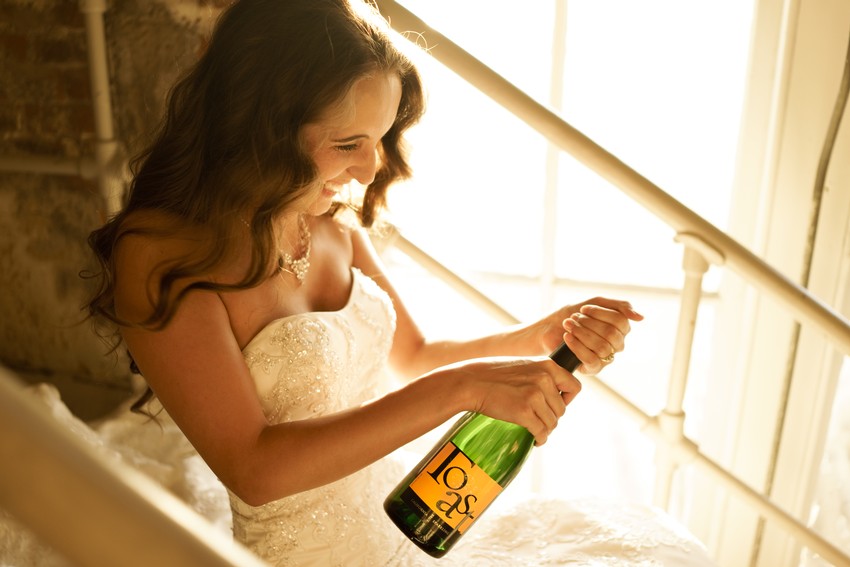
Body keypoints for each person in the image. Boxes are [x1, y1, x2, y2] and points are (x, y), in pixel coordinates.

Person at [84, 1, 714, 566]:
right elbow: (254, 467)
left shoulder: (331, 225)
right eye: (348, 142)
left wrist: (538, 337)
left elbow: (413, 359)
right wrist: (460, 389)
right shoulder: (160, 257)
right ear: (258, 124)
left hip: (403, 520)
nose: (369, 167)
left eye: (380, 139)